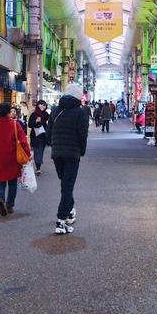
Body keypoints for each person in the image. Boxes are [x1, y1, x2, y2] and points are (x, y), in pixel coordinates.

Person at [47, 83, 88, 235]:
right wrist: (81, 151)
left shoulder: (55, 110)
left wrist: (53, 145)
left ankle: (70, 211)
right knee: (67, 186)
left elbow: (49, 132)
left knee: (65, 185)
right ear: (79, 97)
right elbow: (83, 134)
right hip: (72, 154)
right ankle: (61, 220)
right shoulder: (80, 112)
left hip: (57, 153)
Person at [0, 103, 30, 217]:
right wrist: (28, 154)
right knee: (12, 183)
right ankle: (9, 205)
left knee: (0, 182)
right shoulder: (15, 125)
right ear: (8, 112)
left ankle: (0, 197)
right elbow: (23, 142)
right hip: (12, 158)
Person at [27, 100, 49, 174]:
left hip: (43, 136)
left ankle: (38, 165)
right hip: (36, 136)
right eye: (42, 105)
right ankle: (38, 168)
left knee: (41, 151)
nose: (43, 106)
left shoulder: (46, 114)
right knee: (37, 151)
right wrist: (36, 122)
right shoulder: (34, 114)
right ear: (38, 105)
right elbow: (29, 124)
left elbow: (49, 123)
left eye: (44, 105)